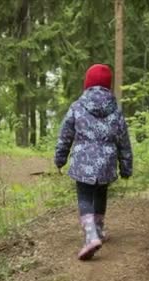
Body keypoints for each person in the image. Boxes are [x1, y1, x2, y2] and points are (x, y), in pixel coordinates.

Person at [54, 64, 133, 261]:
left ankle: (91, 236)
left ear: (87, 84)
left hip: (83, 161)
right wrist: (126, 166)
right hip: (107, 162)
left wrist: (60, 158)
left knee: (84, 195)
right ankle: (98, 229)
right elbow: (124, 141)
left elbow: (65, 135)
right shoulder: (116, 110)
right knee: (101, 193)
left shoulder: (77, 107)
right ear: (108, 86)